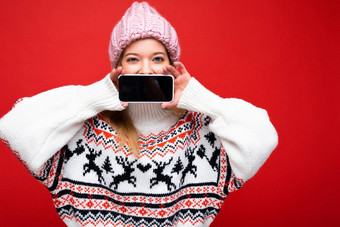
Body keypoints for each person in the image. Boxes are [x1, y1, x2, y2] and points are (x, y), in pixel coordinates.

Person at [0, 2, 278, 227]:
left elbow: (264, 137)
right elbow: (12, 126)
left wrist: (202, 99)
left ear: (173, 66)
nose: (146, 69)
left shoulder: (202, 131)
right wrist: (95, 95)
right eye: (133, 59)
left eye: (157, 58)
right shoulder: (81, 130)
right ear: (117, 66)